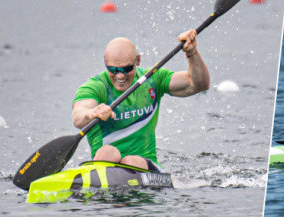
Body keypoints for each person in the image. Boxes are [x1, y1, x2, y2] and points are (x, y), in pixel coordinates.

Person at [71, 30, 210, 170]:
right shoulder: (95, 87)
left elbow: (198, 84)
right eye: (113, 69)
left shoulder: (153, 79)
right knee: (108, 152)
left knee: (130, 161)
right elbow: (78, 117)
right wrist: (92, 113)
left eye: (126, 69)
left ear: (138, 60)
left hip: (145, 167)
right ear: (105, 61)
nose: (120, 76)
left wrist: (191, 53)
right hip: (105, 163)